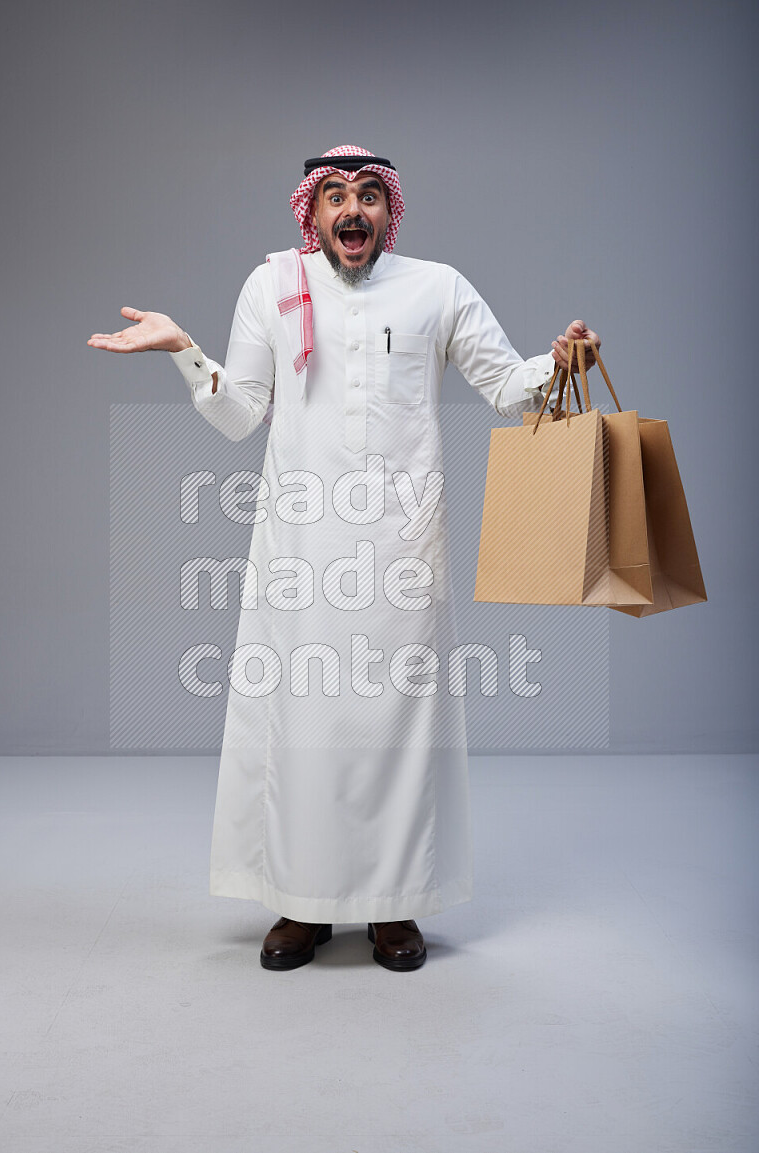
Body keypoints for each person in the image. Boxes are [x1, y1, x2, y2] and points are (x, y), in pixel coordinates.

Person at [88, 144, 601, 973]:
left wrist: (561, 365)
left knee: (400, 730)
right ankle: (303, 901)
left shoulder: (439, 287)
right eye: (334, 197)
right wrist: (183, 348)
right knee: (303, 725)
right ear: (312, 212)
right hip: (301, 547)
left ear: (390, 212)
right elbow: (239, 414)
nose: (352, 210)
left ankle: (395, 907)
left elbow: (509, 388)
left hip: (405, 545)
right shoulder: (272, 288)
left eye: (368, 195)